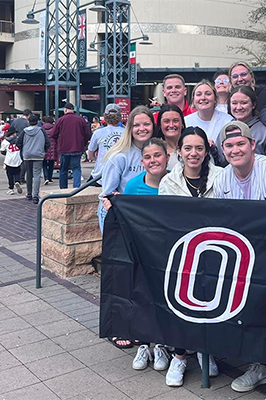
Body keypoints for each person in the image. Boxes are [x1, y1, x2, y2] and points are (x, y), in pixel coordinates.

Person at [214, 122, 266, 400]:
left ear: (253, 145)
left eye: (241, 143)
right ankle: (264, 366)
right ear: (223, 150)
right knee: (247, 312)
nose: (235, 149)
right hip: (246, 258)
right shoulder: (223, 178)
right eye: (229, 145)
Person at [157, 127, 224, 386]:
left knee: (212, 304)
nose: (193, 153)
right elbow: (165, 220)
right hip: (184, 255)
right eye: (188, 148)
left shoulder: (222, 177)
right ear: (180, 151)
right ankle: (181, 355)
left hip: (216, 254)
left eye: (199, 148)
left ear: (206, 151)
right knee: (182, 304)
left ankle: (206, 351)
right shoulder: (169, 182)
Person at [101, 138, 172, 374]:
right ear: (142, 162)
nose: (154, 161)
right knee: (141, 296)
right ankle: (143, 344)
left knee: (163, 298)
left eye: (158, 155)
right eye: (148, 157)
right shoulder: (132, 186)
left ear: (167, 158)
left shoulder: (175, 182)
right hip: (142, 252)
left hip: (168, 253)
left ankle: (161, 343)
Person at [98, 106, 154, 234]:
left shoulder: (156, 151)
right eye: (136, 125)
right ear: (130, 128)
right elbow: (108, 195)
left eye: (146, 124)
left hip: (145, 215)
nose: (142, 129)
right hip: (120, 214)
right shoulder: (119, 156)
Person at [228, 85, 266, 163]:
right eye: (234, 103)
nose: (238, 107)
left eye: (244, 103)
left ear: (253, 105)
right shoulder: (226, 128)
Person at [184, 80, 234, 164]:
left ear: (215, 99)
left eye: (208, 94)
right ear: (193, 100)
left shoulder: (228, 121)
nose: (203, 98)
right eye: (199, 94)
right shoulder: (186, 121)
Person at [52, 102, 91, 189]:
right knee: (76, 168)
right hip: (77, 148)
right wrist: (83, 144)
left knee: (63, 169)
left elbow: (53, 134)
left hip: (63, 149)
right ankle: (76, 188)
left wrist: (59, 142)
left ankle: (63, 189)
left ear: (65, 110)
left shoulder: (60, 120)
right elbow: (87, 134)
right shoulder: (80, 120)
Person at [17, 114, 51, 204]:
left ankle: (29, 193)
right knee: (37, 175)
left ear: (28, 122)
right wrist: (43, 150)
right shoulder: (41, 131)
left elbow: (18, 143)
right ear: (37, 122)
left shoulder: (24, 132)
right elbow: (48, 143)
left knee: (29, 174)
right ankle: (35, 195)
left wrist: (24, 149)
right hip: (38, 155)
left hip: (27, 155)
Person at [88, 104, 124, 184]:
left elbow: (90, 155)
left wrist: (98, 157)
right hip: (120, 176)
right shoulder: (126, 133)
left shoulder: (98, 133)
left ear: (105, 116)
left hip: (100, 176)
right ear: (120, 117)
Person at [153, 104, 185, 171]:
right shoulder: (154, 151)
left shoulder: (192, 147)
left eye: (175, 121)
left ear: (182, 124)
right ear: (160, 125)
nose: (171, 125)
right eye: (166, 121)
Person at [0, 127, 23, 195]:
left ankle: (11, 188)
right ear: (14, 133)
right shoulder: (18, 140)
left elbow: (2, 151)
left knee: (9, 175)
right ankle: (17, 181)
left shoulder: (5, 141)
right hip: (17, 159)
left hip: (9, 160)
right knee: (17, 173)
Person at [42, 116, 57, 185]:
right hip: (53, 147)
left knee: (44, 163)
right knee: (51, 164)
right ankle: (50, 177)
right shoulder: (54, 128)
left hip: (44, 147)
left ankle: (46, 177)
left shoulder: (42, 128)